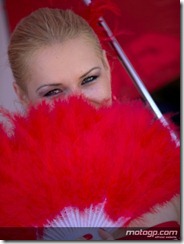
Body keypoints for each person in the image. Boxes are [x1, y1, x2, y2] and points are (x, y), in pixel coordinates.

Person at [7, 7, 180, 240]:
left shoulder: (169, 160)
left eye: (89, 79)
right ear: (23, 96)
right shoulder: (9, 190)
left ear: (108, 69)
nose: (78, 104)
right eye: (53, 91)